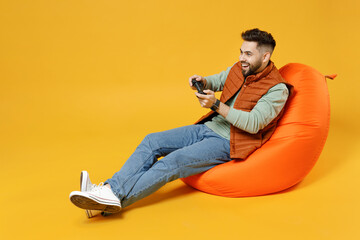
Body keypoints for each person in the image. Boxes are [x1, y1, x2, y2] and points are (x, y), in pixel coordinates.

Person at [69, 28, 293, 217]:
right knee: (152, 141)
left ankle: (107, 201)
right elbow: (219, 80)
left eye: (248, 54)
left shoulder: (277, 89)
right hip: (208, 127)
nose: (242, 58)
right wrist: (202, 80)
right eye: (241, 52)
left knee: (172, 162)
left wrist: (216, 105)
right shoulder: (240, 68)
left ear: (265, 57)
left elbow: (253, 123)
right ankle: (109, 191)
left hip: (229, 142)